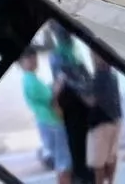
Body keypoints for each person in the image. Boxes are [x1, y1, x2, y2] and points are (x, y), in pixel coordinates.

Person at [49, 26, 95, 184]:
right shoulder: (57, 55)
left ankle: (86, 174)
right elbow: (66, 79)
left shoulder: (74, 50)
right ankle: (81, 175)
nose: (64, 33)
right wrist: (85, 92)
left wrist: (90, 90)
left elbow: (85, 73)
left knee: (84, 139)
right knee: (76, 140)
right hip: (72, 104)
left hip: (81, 104)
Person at [19, 50, 73, 184]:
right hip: (51, 122)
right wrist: (60, 81)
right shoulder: (31, 80)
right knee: (64, 163)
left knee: (61, 161)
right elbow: (51, 97)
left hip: (47, 121)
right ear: (22, 63)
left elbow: (48, 92)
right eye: (29, 58)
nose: (34, 60)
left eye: (34, 57)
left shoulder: (31, 79)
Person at [86, 55, 122, 184]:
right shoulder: (113, 76)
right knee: (111, 157)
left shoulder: (97, 78)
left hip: (101, 124)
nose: (93, 57)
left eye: (94, 55)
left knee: (98, 163)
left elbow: (91, 101)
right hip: (116, 119)